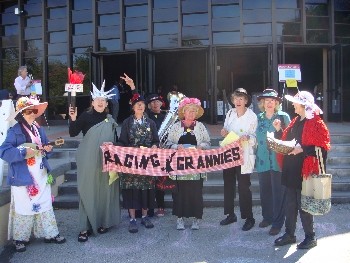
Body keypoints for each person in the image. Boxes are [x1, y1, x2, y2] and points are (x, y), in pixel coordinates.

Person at [0, 96, 66, 252]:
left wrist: (48, 149)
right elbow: (4, 151)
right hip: (23, 174)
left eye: (34, 110)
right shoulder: (14, 131)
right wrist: (23, 152)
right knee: (24, 206)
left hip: (40, 171)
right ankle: (20, 238)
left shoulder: (38, 128)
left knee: (45, 203)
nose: (32, 113)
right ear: (21, 114)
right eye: (28, 110)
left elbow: (43, 147)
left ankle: (50, 233)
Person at [274, 91, 330, 249]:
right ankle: (289, 234)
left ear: (304, 105)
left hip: (305, 172)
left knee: (305, 205)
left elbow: (322, 148)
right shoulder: (296, 121)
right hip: (291, 169)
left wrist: (302, 149)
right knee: (290, 204)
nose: (293, 104)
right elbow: (289, 141)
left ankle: (310, 237)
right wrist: (278, 132)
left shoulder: (316, 123)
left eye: (295, 102)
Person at [69, 79, 122, 242]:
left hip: (106, 160)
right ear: (93, 102)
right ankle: (84, 227)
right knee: (88, 190)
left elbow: (115, 138)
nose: (100, 102)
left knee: (105, 190)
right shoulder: (86, 116)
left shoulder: (109, 117)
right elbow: (72, 133)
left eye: (103, 100)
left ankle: (103, 222)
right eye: (98, 99)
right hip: (89, 159)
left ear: (106, 103)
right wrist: (72, 118)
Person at [165, 97, 211, 230]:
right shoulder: (175, 127)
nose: (191, 114)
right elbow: (168, 143)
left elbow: (208, 143)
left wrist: (201, 146)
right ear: (183, 112)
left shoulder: (200, 127)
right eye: (189, 111)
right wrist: (176, 146)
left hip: (196, 166)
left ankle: (196, 219)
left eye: (194, 111)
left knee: (196, 192)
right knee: (179, 192)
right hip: (179, 166)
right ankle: (180, 218)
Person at [117, 93, 160, 234]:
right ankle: (132, 219)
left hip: (146, 161)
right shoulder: (127, 123)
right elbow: (122, 141)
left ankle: (145, 216)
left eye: (142, 103)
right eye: (137, 104)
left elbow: (155, 140)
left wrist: (154, 146)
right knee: (131, 190)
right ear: (133, 107)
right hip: (132, 162)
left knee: (146, 189)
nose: (140, 106)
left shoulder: (150, 123)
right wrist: (113, 146)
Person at [220, 88, 257, 231]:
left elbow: (255, 137)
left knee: (243, 187)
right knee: (228, 184)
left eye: (241, 99)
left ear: (246, 101)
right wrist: (224, 131)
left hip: (244, 154)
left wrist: (248, 138)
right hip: (229, 153)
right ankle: (230, 214)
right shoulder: (230, 113)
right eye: (236, 99)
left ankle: (249, 217)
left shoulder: (252, 116)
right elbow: (225, 129)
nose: (238, 101)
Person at [256, 88, 291, 236]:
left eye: (272, 101)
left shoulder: (283, 116)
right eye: (266, 101)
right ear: (262, 103)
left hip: (278, 160)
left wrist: (280, 129)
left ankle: (277, 223)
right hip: (262, 159)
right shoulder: (259, 117)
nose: (269, 103)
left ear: (277, 103)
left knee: (278, 192)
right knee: (265, 190)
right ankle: (267, 217)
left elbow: (290, 137)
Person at [145, 93, 166, 216]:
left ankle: (161, 206)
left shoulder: (166, 117)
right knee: (149, 180)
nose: (155, 104)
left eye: (157, 101)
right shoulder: (146, 117)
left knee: (161, 181)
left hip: (163, 152)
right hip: (150, 151)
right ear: (149, 105)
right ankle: (149, 206)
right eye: (152, 102)